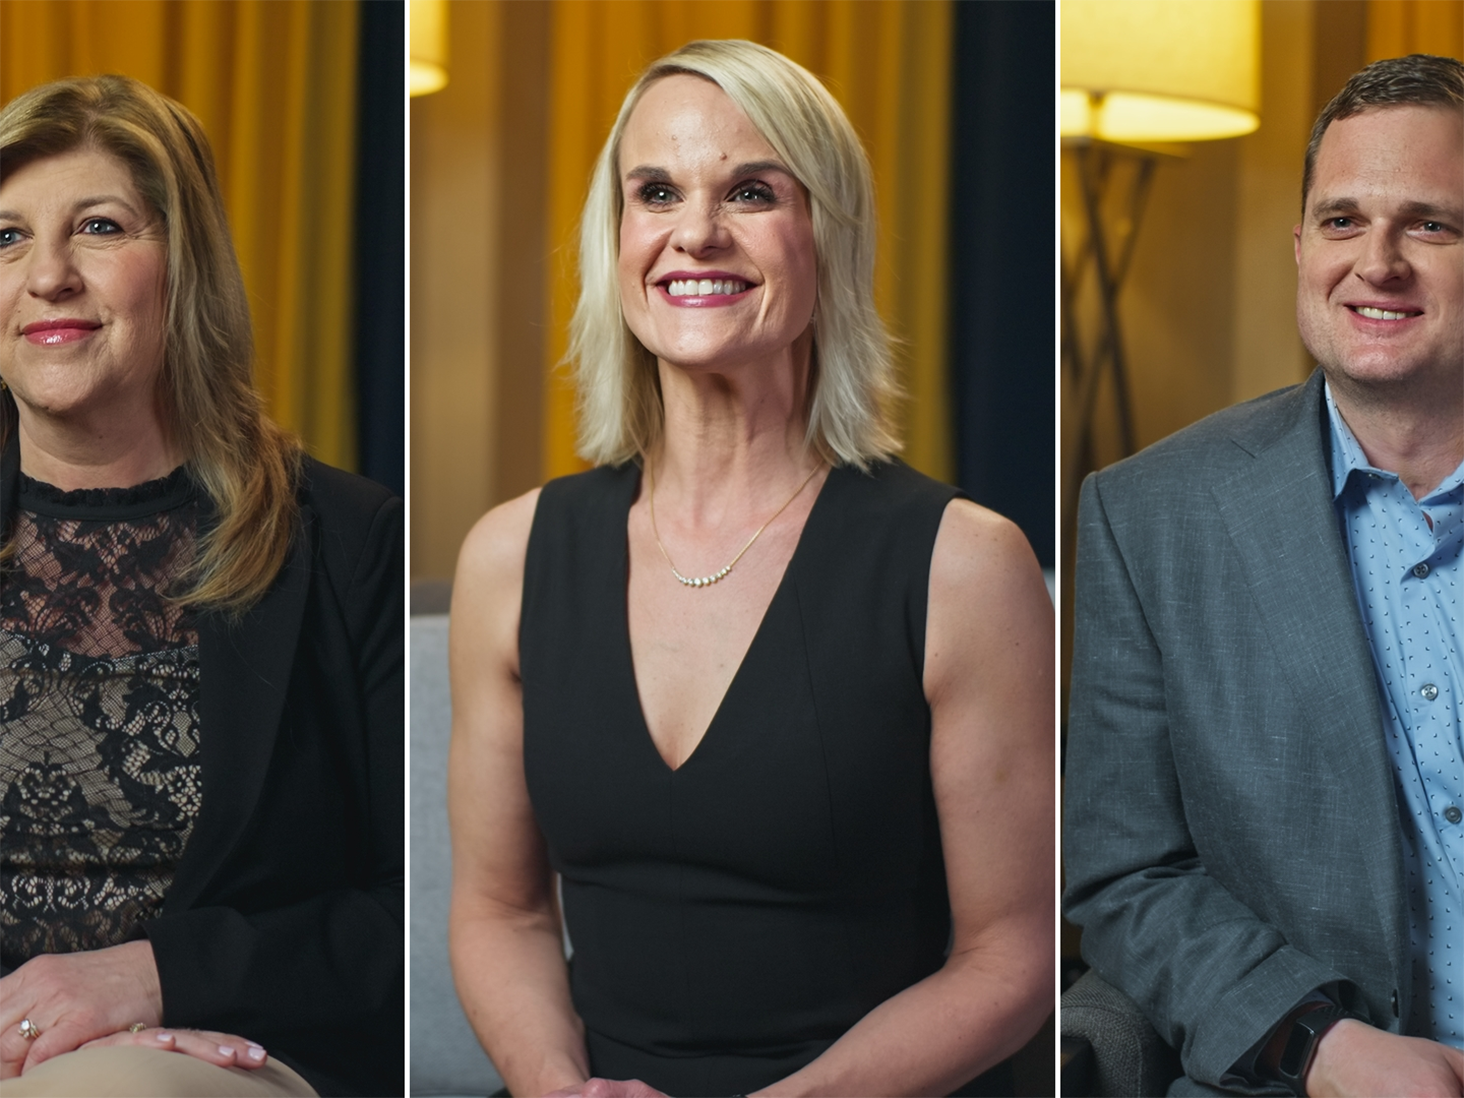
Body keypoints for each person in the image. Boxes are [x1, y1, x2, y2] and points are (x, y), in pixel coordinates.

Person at [448, 39, 1052, 1098]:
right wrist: (556, 1087)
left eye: (752, 192)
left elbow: (1013, 957)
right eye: (656, 193)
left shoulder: (965, 564)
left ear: (828, 235)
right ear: (616, 239)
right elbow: (502, 911)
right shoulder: (509, 556)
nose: (695, 232)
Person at [1064, 53, 1464, 1098]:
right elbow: (1122, 869)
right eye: (1342, 221)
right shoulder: (1148, 516)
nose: (1377, 263)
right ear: (1300, 249)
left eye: (1430, 224)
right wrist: (1319, 1045)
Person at [0, 76, 401, 1097]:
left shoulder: (350, 542)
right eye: (6, 237)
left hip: (231, 1053)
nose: (47, 275)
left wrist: (162, 979)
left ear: (185, 265)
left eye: (98, 227)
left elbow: (415, 912)